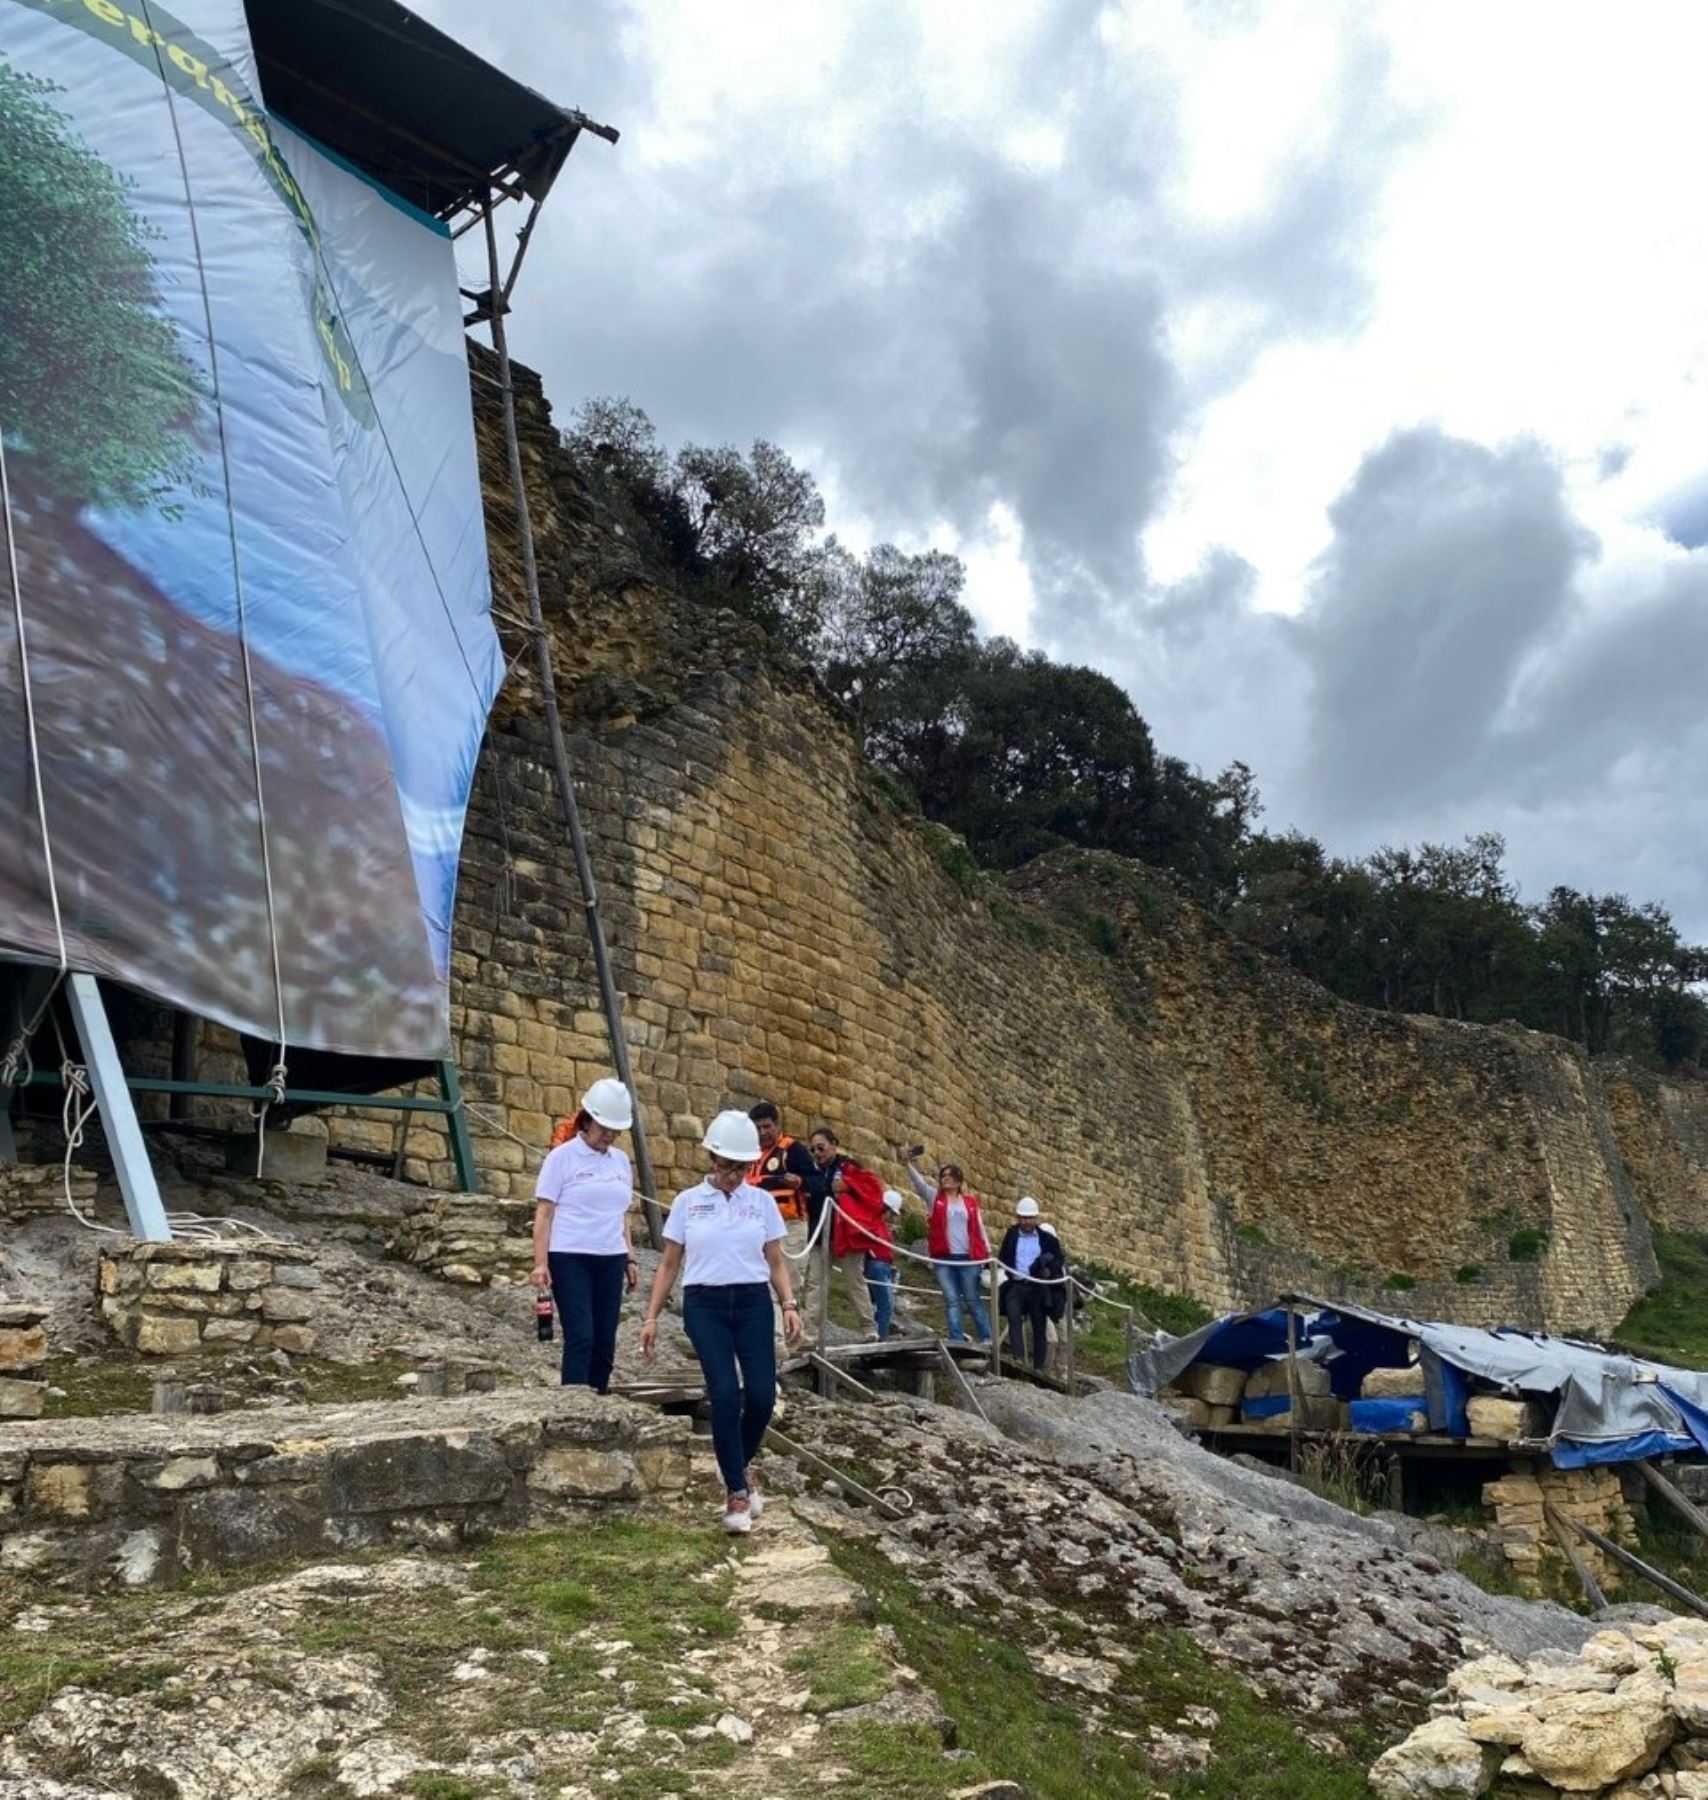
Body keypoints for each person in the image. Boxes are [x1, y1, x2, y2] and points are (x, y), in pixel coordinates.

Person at [641, 1111, 802, 1533]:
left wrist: (789, 1303)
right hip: (704, 1304)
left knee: (764, 1396)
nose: (733, 1175)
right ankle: (735, 1490)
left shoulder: (761, 1202)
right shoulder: (687, 1202)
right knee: (726, 1395)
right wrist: (651, 1316)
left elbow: (775, 1260)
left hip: (752, 1302)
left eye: (742, 1167)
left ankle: (738, 1464)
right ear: (712, 1158)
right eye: (726, 1166)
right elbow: (670, 1262)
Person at [531, 1078, 640, 1393]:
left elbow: (623, 1213)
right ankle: (574, 1405)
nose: (609, 1135)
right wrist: (541, 1263)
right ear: (588, 1119)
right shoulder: (562, 1158)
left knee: (605, 1341)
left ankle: (599, 1401)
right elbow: (544, 1213)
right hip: (570, 1256)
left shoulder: (620, 1162)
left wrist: (630, 1256)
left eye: (615, 1130)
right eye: (604, 1127)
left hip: (610, 1257)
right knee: (581, 1335)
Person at [905, 1150, 993, 1344]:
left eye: (950, 1176)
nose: (946, 1179)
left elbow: (978, 1226)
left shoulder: (970, 1202)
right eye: (943, 1176)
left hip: (968, 1258)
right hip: (943, 1258)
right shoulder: (934, 1198)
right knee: (952, 1300)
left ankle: (987, 1338)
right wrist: (907, 1164)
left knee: (972, 1299)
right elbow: (920, 1184)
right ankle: (956, 1339)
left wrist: (987, 1252)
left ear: (958, 1181)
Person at [996, 1197, 1068, 1372]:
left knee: (1039, 1326)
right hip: (1017, 1284)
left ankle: (1038, 1368)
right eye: (1023, 1217)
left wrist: (1049, 1269)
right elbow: (1004, 1256)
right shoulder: (1011, 1235)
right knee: (1014, 1318)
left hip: (1038, 1287)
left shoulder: (1047, 1239)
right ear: (1017, 1217)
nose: (1027, 1222)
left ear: (1036, 1218)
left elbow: (1058, 1260)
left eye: (1030, 1218)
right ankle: (1018, 1358)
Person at [748, 1101, 815, 1267]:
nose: (762, 1132)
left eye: (767, 1126)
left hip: (789, 1226)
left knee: (789, 1280)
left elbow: (818, 1181)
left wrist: (801, 1182)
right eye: (757, 1128)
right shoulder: (749, 1153)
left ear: (777, 1125)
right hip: (755, 1225)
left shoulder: (793, 1150)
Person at [827, 1156, 887, 1341]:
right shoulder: (820, 1168)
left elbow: (872, 1195)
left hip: (849, 1235)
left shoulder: (854, 1174)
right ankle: (811, 1330)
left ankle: (868, 1327)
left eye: (820, 1147)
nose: (816, 1152)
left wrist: (849, 1185)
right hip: (823, 1232)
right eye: (813, 1148)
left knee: (855, 1281)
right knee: (817, 1283)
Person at [866, 1190, 904, 1339]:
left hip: (885, 1266)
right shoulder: (873, 1222)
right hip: (877, 1266)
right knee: (885, 1305)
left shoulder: (882, 1224)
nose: (892, 1218)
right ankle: (882, 1338)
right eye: (892, 1213)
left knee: (884, 1305)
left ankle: (881, 1335)